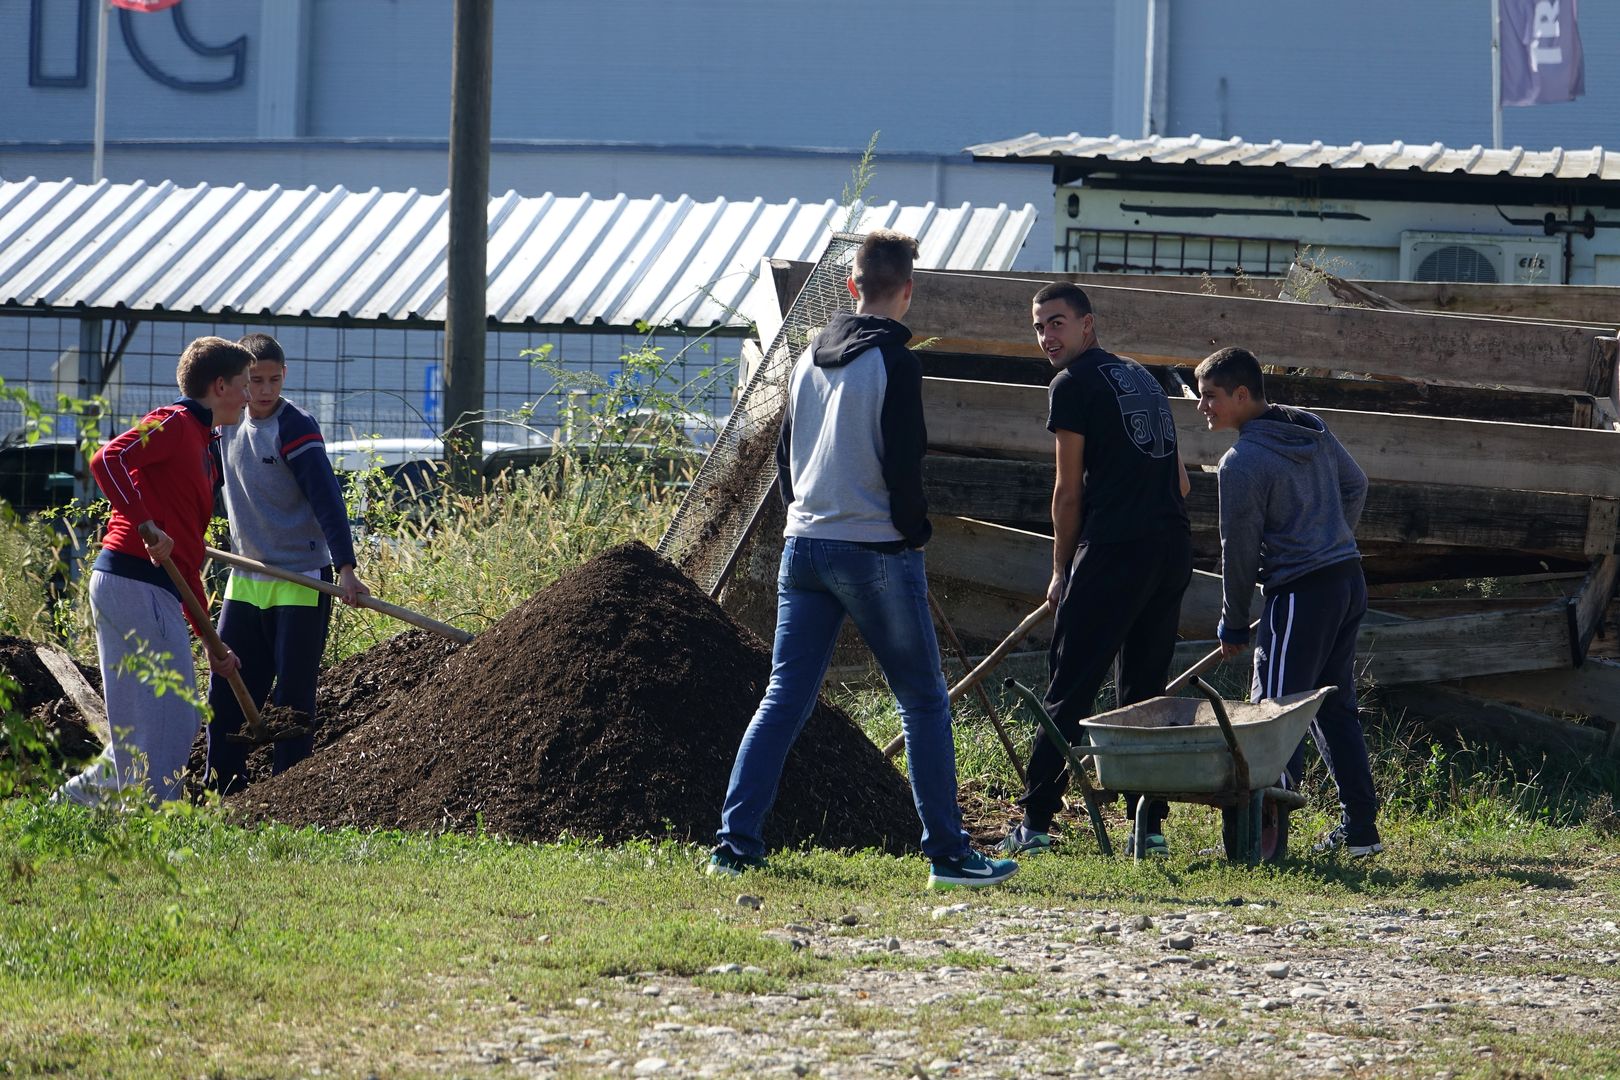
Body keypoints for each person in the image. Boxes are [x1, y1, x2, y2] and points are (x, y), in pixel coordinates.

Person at [710, 229, 1017, 890]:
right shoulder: (897, 365)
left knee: (784, 696)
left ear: (851, 286)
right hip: (875, 546)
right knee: (924, 701)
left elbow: (787, 467)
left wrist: (809, 514)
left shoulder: (804, 362)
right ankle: (948, 853)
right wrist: (912, 532)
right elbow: (905, 462)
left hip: (805, 545)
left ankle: (734, 843)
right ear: (907, 290)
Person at [999, 282, 1192, 859]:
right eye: (1038, 327)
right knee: (1145, 691)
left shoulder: (1072, 384)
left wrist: (1061, 568)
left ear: (1088, 324)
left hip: (1115, 550)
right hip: (1170, 548)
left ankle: (1034, 824)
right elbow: (1180, 482)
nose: (1047, 337)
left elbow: (1066, 492)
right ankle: (1148, 829)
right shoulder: (1141, 376)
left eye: (1057, 323)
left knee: (1072, 683)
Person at [1194, 346, 1381, 856]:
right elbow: (1356, 484)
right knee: (1333, 706)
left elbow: (1238, 550)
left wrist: (1233, 623)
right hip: (1347, 579)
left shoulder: (1241, 462)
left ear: (1240, 394)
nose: (1201, 406)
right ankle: (1361, 831)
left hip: (1302, 591)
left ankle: (1260, 843)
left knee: (1272, 715)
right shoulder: (1308, 426)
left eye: (1210, 396)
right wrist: (1332, 539)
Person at [56, 336, 252, 806]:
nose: (249, 396)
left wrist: (213, 643)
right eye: (244, 385)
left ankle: (76, 806)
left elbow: (186, 560)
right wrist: (144, 524)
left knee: (163, 719)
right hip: (131, 580)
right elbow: (109, 459)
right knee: (171, 715)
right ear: (219, 385)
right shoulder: (174, 422)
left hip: (155, 587)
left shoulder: (206, 441)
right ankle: (154, 817)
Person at [204, 332, 370, 791]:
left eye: (273, 380)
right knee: (229, 687)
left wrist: (346, 568)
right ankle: (222, 787)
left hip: (300, 578)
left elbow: (327, 500)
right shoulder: (224, 424)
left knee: (293, 699)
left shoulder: (295, 426)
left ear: (285, 377)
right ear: (238, 380)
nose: (263, 391)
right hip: (246, 575)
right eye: (254, 381)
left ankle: (288, 795)